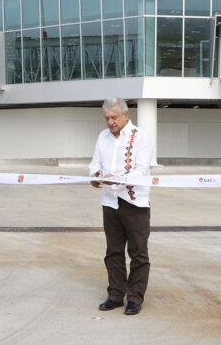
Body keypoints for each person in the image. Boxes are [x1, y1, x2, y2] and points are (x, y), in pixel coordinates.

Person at [89, 97, 153, 316]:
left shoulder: (141, 137)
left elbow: (142, 170)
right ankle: (115, 295)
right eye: (107, 118)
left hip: (135, 203)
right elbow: (95, 164)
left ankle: (135, 297)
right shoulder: (102, 137)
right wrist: (95, 176)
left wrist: (116, 178)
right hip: (110, 202)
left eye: (114, 117)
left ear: (126, 115)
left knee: (138, 253)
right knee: (113, 252)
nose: (110, 122)